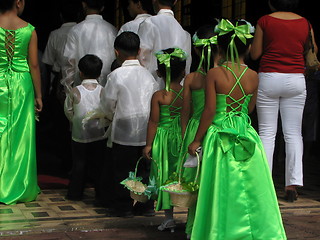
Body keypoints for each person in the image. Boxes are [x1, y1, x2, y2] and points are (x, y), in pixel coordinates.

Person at [188, 19, 287, 239]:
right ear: (249, 48)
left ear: (220, 49)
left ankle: (220, 230)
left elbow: (209, 111)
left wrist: (196, 140)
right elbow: (249, 109)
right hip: (245, 133)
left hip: (219, 134)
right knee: (252, 186)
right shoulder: (254, 76)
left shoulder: (214, 74)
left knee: (222, 185)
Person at [250, 0, 314, 202]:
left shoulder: (265, 21)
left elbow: (255, 53)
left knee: (267, 133)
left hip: (269, 77)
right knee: (293, 133)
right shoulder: (305, 23)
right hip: (295, 79)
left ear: (271, 3)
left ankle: (265, 181)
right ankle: (292, 185)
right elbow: (312, 51)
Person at [101, 31, 157, 217]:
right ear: (139, 50)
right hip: (146, 130)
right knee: (144, 169)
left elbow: (108, 104)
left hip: (123, 130)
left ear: (116, 52)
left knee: (122, 170)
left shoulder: (116, 75)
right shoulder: (149, 76)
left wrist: (108, 117)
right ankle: (145, 205)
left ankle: (123, 206)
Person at [178, 24, 219, 239]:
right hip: (216, 130)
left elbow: (186, 111)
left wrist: (187, 136)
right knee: (214, 180)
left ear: (196, 50)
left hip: (196, 130)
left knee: (196, 183)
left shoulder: (192, 78)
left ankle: (194, 226)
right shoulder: (224, 76)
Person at [0, 0, 42, 204]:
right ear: (18, 2)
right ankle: (18, 184)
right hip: (22, 86)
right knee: (20, 135)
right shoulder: (29, 30)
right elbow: (33, 65)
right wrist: (39, 95)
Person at [142, 48, 187, 232]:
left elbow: (153, 121)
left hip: (163, 139)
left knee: (164, 174)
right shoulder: (187, 94)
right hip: (183, 138)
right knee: (184, 175)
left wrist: (148, 144)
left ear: (159, 72)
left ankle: (168, 218)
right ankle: (190, 216)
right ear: (184, 72)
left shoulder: (159, 96)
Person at [41, 0, 81, 176]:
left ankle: (64, 162)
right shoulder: (80, 31)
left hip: (60, 81)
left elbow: (48, 62)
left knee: (62, 123)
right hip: (82, 80)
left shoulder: (55, 34)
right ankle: (76, 163)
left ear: (61, 15)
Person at [64, 54, 107, 202]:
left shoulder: (75, 91)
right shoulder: (103, 90)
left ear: (80, 73)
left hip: (79, 135)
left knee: (79, 164)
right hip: (99, 134)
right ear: (100, 73)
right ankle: (101, 194)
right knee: (99, 165)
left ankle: (75, 194)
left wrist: (76, 122)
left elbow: (68, 110)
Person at [62, 0, 117, 94]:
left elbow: (69, 62)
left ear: (83, 4)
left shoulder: (76, 30)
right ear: (102, 8)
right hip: (108, 87)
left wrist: (68, 90)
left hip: (81, 89)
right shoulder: (112, 30)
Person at [137, 0, 191, 89]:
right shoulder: (184, 34)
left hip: (151, 87)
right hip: (176, 92)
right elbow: (187, 65)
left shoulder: (149, 23)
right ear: (175, 2)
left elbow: (142, 56)